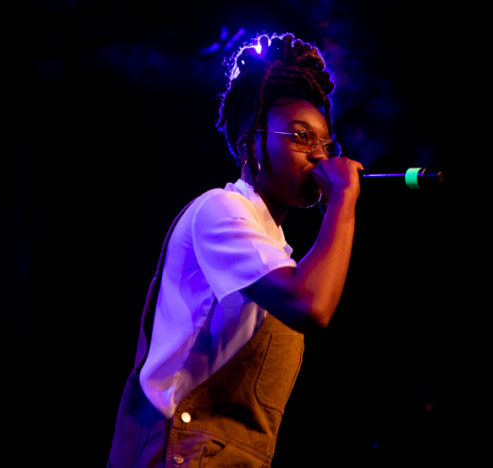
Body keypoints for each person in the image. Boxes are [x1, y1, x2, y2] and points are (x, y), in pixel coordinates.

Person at [107, 32, 363, 467]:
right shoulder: (221, 209)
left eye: (325, 143)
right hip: (174, 453)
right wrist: (343, 200)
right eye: (301, 137)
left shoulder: (277, 250)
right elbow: (312, 305)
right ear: (250, 146)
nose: (320, 157)